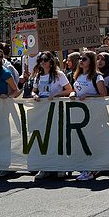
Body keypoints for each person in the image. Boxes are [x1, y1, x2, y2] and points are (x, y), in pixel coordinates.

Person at [29, 51, 73, 181]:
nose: (43, 62)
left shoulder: (59, 75)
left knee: (57, 137)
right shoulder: (38, 76)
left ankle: (61, 167)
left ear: (51, 61)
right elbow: (34, 90)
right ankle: (45, 167)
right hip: (42, 111)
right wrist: (34, 95)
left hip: (57, 110)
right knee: (44, 139)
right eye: (41, 60)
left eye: (45, 59)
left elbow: (69, 89)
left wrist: (56, 95)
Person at [69, 51, 109, 181]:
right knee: (83, 141)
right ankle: (88, 167)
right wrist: (72, 94)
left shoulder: (97, 77)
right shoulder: (78, 76)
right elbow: (77, 90)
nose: (81, 61)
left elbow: (103, 94)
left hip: (95, 114)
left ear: (90, 61)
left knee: (92, 142)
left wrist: (89, 96)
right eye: (80, 58)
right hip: (80, 115)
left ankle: (92, 168)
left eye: (84, 59)